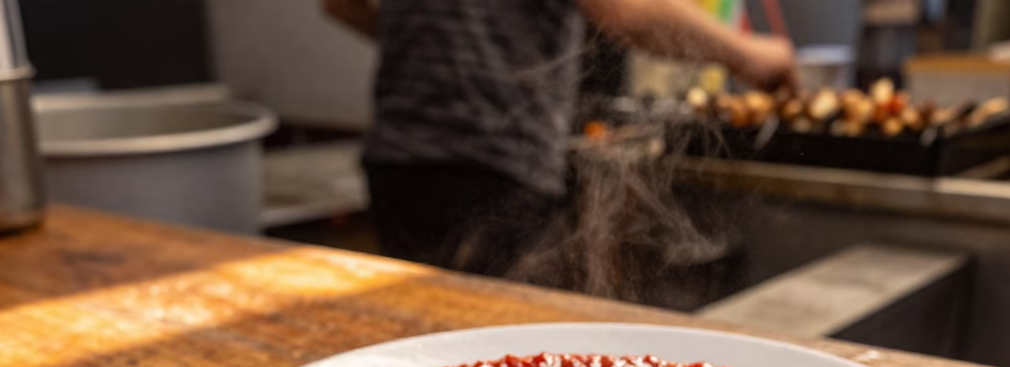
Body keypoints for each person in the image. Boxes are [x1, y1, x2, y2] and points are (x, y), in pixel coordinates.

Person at [324, 0, 797, 277]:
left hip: (395, 159)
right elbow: (629, 12)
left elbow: (341, 5)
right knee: (482, 340)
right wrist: (750, 53)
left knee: (423, 322)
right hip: (492, 165)